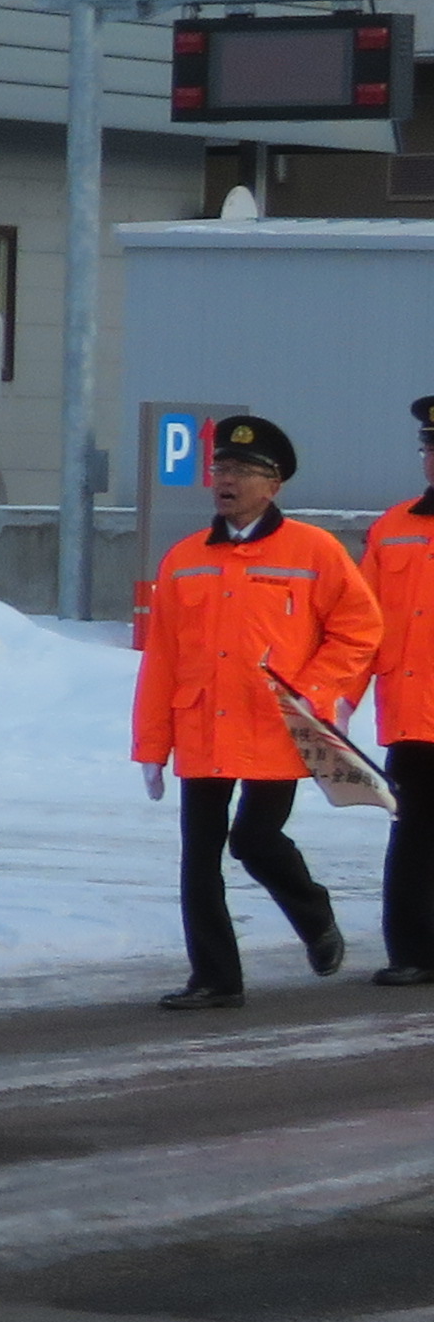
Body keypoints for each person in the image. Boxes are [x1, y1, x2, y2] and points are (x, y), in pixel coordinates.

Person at [132, 409, 375, 1008]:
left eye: (242, 469)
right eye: (220, 467)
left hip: (275, 729)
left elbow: (360, 628)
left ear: (274, 485)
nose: (226, 479)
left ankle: (314, 915)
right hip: (202, 726)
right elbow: (161, 658)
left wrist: (313, 692)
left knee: (256, 839)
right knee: (200, 859)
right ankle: (215, 978)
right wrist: (151, 745)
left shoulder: (312, 550)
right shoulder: (185, 557)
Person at [371, 399, 434, 987]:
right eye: (429, 449)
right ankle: (412, 950)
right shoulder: (393, 528)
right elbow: (360, 622)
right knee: (412, 833)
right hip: (413, 717)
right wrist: (336, 694)